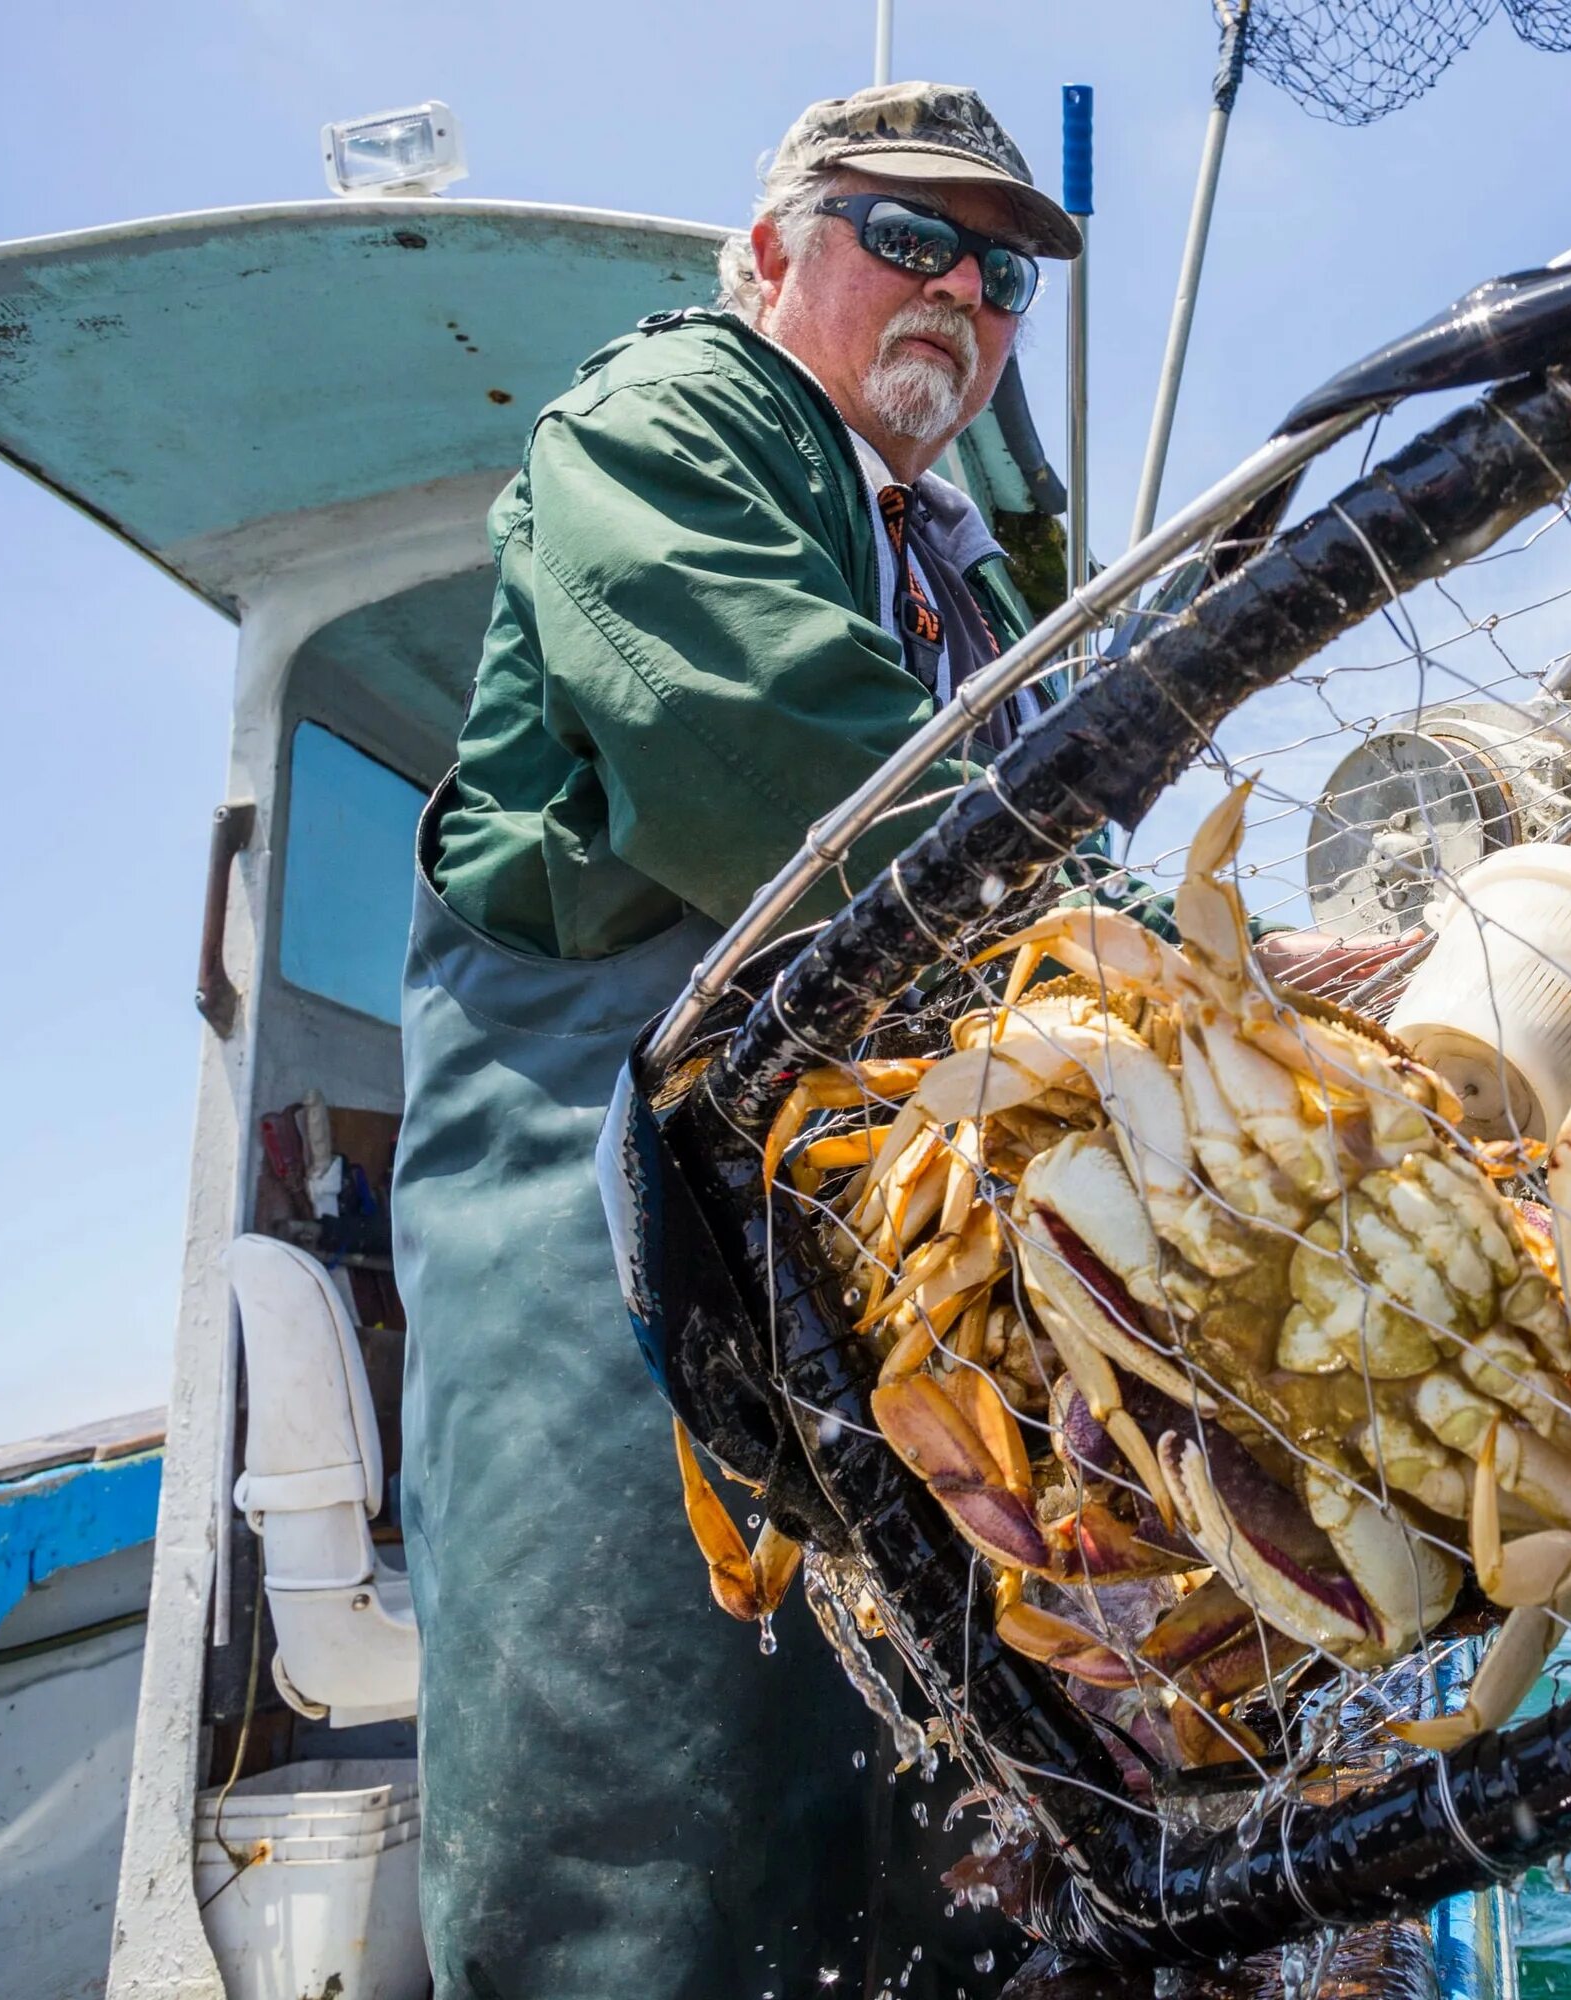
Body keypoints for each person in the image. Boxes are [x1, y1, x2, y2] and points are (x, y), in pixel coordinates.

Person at [391, 84, 1082, 1998]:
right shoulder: (675, 417)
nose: (962, 289)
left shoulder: (966, 548)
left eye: (1004, 271)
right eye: (909, 238)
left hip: (863, 1259)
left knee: (934, 1824)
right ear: (775, 253)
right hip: (598, 1243)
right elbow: (788, 755)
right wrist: (1182, 970)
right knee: (649, 1849)